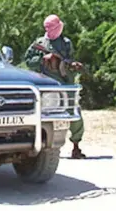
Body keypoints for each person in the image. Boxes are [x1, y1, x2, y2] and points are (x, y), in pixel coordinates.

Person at [24, 14, 86, 159]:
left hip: (65, 83)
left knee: (74, 113)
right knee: (42, 116)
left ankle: (76, 146)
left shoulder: (65, 42)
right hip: (46, 85)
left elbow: (69, 59)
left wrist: (71, 64)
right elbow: (28, 60)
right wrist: (42, 59)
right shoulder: (40, 43)